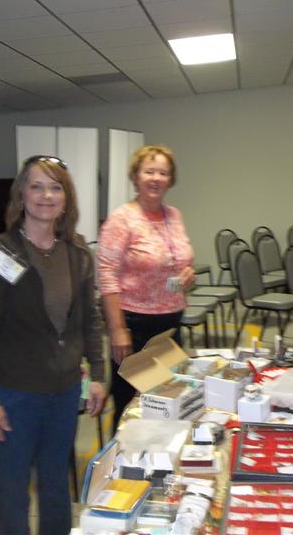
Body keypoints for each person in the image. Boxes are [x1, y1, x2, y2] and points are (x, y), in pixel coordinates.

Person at [0, 155, 106, 535]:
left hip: (62, 393)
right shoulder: (1, 252)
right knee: (11, 492)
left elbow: (89, 320)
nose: (46, 195)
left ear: (66, 197)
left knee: (56, 486)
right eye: (36, 186)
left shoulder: (77, 254)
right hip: (14, 394)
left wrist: (97, 373)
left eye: (55, 186)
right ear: (21, 195)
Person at [98, 144, 195, 428]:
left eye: (163, 172)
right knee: (132, 407)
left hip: (170, 323)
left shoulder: (174, 215)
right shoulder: (122, 218)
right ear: (136, 176)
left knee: (167, 402)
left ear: (170, 179)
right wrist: (117, 329)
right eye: (149, 171)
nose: (156, 178)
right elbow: (106, 274)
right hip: (134, 326)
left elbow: (176, 261)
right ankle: (123, 468)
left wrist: (187, 277)